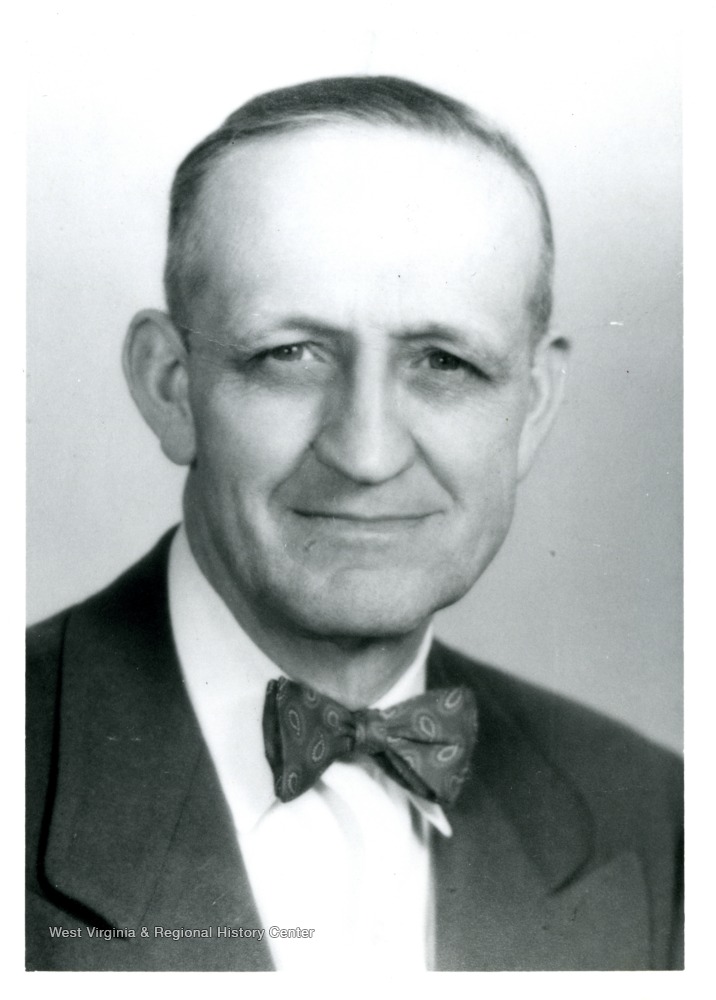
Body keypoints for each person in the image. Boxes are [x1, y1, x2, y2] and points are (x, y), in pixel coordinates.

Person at [25, 75, 682, 972]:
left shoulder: (661, 822)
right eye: (289, 354)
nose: (366, 453)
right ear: (170, 385)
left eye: (444, 362)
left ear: (533, 407)